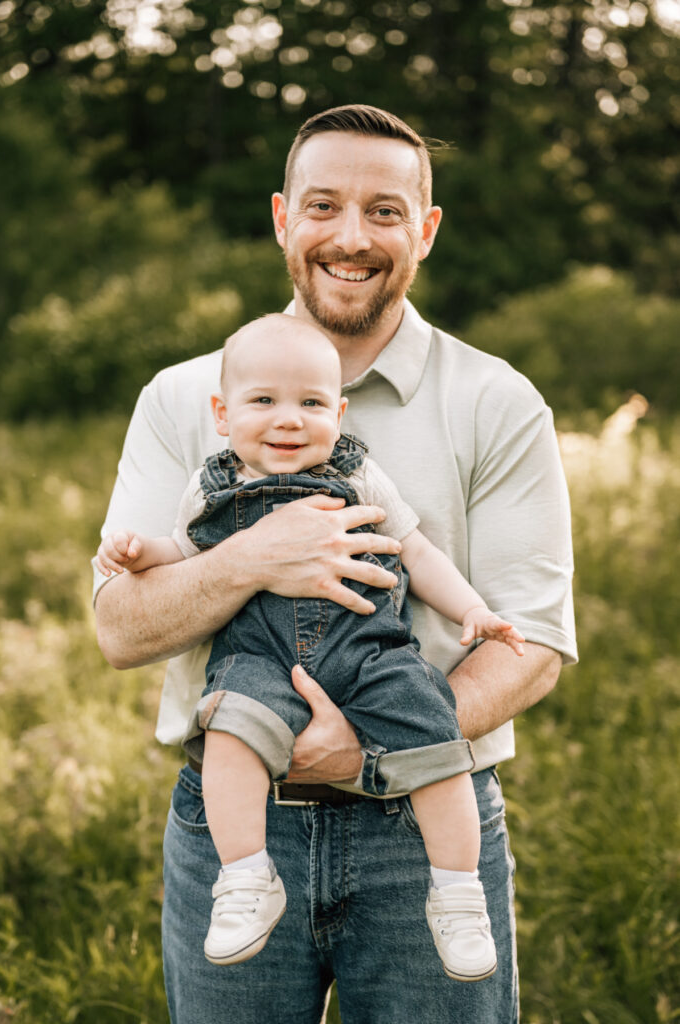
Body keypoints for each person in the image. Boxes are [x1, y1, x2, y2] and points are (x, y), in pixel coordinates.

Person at [94, 105, 577, 1023]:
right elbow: (121, 629)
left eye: (384, 212)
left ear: (425, 230)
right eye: (322, 206)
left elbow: (533, 642)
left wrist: (369, 755)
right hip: (235, 815)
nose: (350, 238)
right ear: (283, 218)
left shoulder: (497, 401)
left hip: (425, 821)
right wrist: (255, 555)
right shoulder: (186, 399)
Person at [97, 312, 526, 980]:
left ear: (339, 412)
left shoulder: (360, 475)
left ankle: (456, 890)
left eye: (311, 403)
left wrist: (473, 610)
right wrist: (137, 551)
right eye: (263, 401)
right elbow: (181, 549)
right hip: (258, 659)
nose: (289, 419)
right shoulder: (211, 488)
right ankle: (245, 876)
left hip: (374, 656)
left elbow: (414, 549)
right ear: (222, 413)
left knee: (435, 740)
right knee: (228, 733)